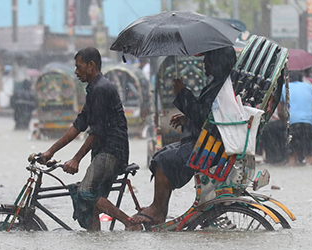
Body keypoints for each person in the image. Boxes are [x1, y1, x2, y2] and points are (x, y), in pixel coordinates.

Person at [133, 46, 237, 225]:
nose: (204, 63)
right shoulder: (219, 84)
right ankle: (159, 207)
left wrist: (183, 93)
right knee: (161, 154)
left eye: (208, 59)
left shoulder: (222, 88)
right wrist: (186, 119)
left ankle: (158, 210)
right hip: (208, 142)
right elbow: (208, 116)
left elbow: (205, 116)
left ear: (217, 62)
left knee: (165, 160)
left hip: (210, 148)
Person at [40, 47, 134, 231]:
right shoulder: (94, 89)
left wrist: (76, 159)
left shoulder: (101, 89)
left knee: (84, 193)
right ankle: (95, 241)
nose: (76, 72)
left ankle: (130, 223)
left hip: (112, 151)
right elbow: (79, 124)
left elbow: (97, 132)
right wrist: (51, 151)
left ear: (91, 66)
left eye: (78, 66)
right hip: (104, 151)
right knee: (90, 203)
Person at [280, 70, 312, 166]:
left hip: (293, 123)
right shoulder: (309, 87)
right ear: (301, 79)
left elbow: (280, 111)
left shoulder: (285, 88)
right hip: (308, 123)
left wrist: (285, 122)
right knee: (309, 152)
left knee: (292, 153)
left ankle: (292, 169)